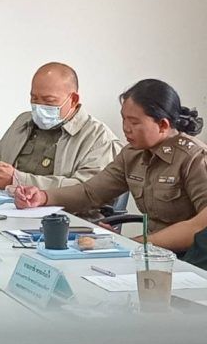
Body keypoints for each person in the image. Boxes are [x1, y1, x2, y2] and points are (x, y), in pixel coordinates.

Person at [14, 79, 206, 252]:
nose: (126, 128)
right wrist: (43, 197)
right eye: (124, 119)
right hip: (150, 252)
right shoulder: (132, 154)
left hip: (190, 258)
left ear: (163, 125)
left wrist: (134, 244)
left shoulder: (194, 158)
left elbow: (200, 227)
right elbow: (90, 192)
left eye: (134, 122)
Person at [0, 62, 121, 190]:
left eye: (49, 101)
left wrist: (17, 180)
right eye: (34, 99)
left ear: (73, 100)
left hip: (65, 213)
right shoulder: (23, 122)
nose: (39, 107)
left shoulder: (98, 138)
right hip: (6, 207)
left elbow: (88, 191)